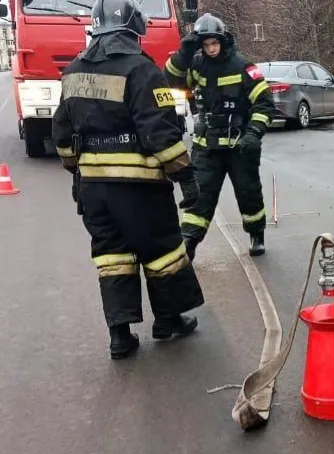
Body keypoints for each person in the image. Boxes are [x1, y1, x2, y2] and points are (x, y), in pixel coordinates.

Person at [52, 0, 204, 359]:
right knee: (162, 252)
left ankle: (119, 336)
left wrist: (79, 168)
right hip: (141, 189)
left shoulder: (74, 70)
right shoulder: (141, 69)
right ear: (135, 29)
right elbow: (161, 132)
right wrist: (186, 178)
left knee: (111, 256)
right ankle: (167, 321)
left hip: (94, 190)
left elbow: (61, 132)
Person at [163, 13, 275, 259]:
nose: (211, 49)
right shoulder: (195, 65)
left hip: (239, 146)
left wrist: (254, 133)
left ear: (223, 41)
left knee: (249, 193)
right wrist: (183, 54)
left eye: (214, 43)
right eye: (206, 44)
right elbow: (170, 80)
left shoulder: (243, 66)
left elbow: (265, 103)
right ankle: (189, 240)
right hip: (207, 147)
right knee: (200, 196)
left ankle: (256, 233)